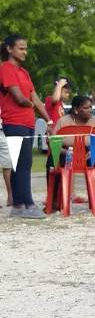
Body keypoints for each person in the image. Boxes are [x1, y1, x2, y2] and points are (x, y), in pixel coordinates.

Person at [0, 34, 51, 218]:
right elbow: (21, 99)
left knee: (19, 164)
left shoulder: (24, 72)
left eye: (25, 49)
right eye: (21, 48)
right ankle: (29, 205)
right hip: (14, 122)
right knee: (23, 164)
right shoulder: (6, 68)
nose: (25, 52)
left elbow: (35, 97)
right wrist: (30, 105)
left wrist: (49, 120)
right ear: (9, 49)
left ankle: (18, 205)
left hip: (27, 123)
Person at [51, 94, 95, 212]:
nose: (90, 110)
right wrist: (67, 152)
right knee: (52, 161)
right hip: (68, 154)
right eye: (86, 108)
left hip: (91, 155)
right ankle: (53, 202)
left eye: (91, 107)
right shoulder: (63, 121)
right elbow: (54, 145)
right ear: (76, 110)